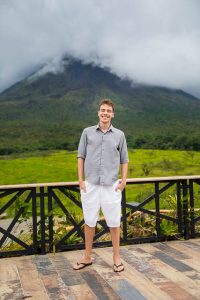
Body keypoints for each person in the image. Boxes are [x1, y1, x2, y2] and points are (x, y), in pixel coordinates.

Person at [73, 99, 129, 272]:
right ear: (98, 113)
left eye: (108, 111)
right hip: (90, 185)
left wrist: (124, 180)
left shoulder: (119, 135)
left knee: (113, 222)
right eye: (102, 110)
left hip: (111, 185)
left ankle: (117, 258)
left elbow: (124, 160)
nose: (105, 113)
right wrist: (81, 180)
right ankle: (87, 256)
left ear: (113, 114)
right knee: (89, 221)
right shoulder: (87, 132)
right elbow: (80, 156)